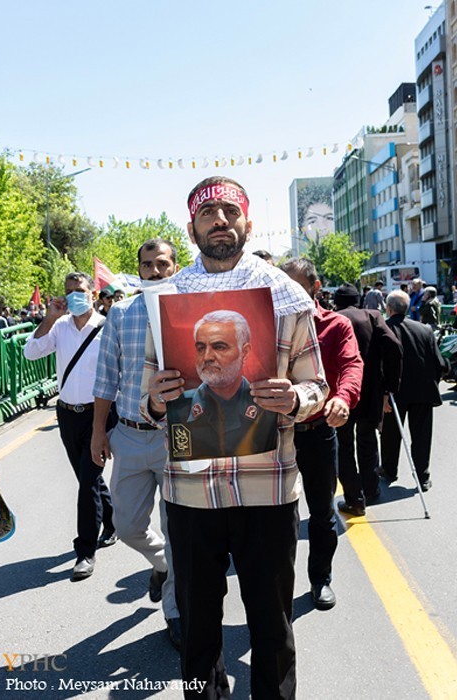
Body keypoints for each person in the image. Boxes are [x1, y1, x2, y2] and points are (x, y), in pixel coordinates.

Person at [140, 176, 328, 699]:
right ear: (192, 228)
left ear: (248, 223)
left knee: (272, 626)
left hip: (267, 491)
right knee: (198, 631)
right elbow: (148, 401)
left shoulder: (286, 295)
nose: (219, 220)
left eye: (230, 211)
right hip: (191, 495)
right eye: (208, 213)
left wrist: (294, 398)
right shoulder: (166, 300)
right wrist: (157, 399)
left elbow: (317, 384)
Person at [91, 239, 181, 650]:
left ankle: (175, 612)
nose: (155, 271)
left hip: (176, 437)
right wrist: (99, 431)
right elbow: (106, 377)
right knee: (126, 525)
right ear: (139, 270)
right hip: (127, 435)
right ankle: (161, 564)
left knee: (176, 528)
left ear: (175, 267)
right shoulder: (121, 313)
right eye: (147, 265)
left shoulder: (188, 309)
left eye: (162, 264)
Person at [280, 258, 363, 610]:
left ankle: (320, 578)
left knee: (321, 512)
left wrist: (343, 398)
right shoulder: (270, 325)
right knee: (277, 517)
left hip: (317, 432)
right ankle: (276, 589)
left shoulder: (336, 325)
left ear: (315, 288)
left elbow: (351, 364)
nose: (287, 295)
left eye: (296, 287)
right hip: (276, 434)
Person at [23, 272, 116, 580]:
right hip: (67, 415)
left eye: (80, 290)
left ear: (92, 294)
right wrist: (49, 318)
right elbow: (31, 352)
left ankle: (85, 551)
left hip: (98, 415)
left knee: (88, 481)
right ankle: (111, 520)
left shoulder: (107, 326)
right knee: (87, 477)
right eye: (69, 290)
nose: (74, 295)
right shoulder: (59, 327)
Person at [168, 310, 277, 459]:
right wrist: (154, 404)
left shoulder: (268, 404)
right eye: (200, 348)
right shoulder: (177, 405)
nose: (207, 357)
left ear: (244, 352)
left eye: (219, 347)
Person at [333, 283, 402, 516]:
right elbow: (394, 346)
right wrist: (389, 386)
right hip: (370, 390)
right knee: (367, 439)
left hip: (341, 392)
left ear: (336, 302)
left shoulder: (334, 318)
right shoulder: (372, 316)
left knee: (343, 445)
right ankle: (371, 489)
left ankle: (354, 498)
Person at [380, 291, 448, 492]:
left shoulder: (384, 329)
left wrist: (382, 392)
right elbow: (439, 363)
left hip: (395, 391)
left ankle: (389, 470)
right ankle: (422, 476)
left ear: (388, 309)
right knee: (422, 436)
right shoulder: (425, 329)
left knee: (391, 433)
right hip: (423, 389)